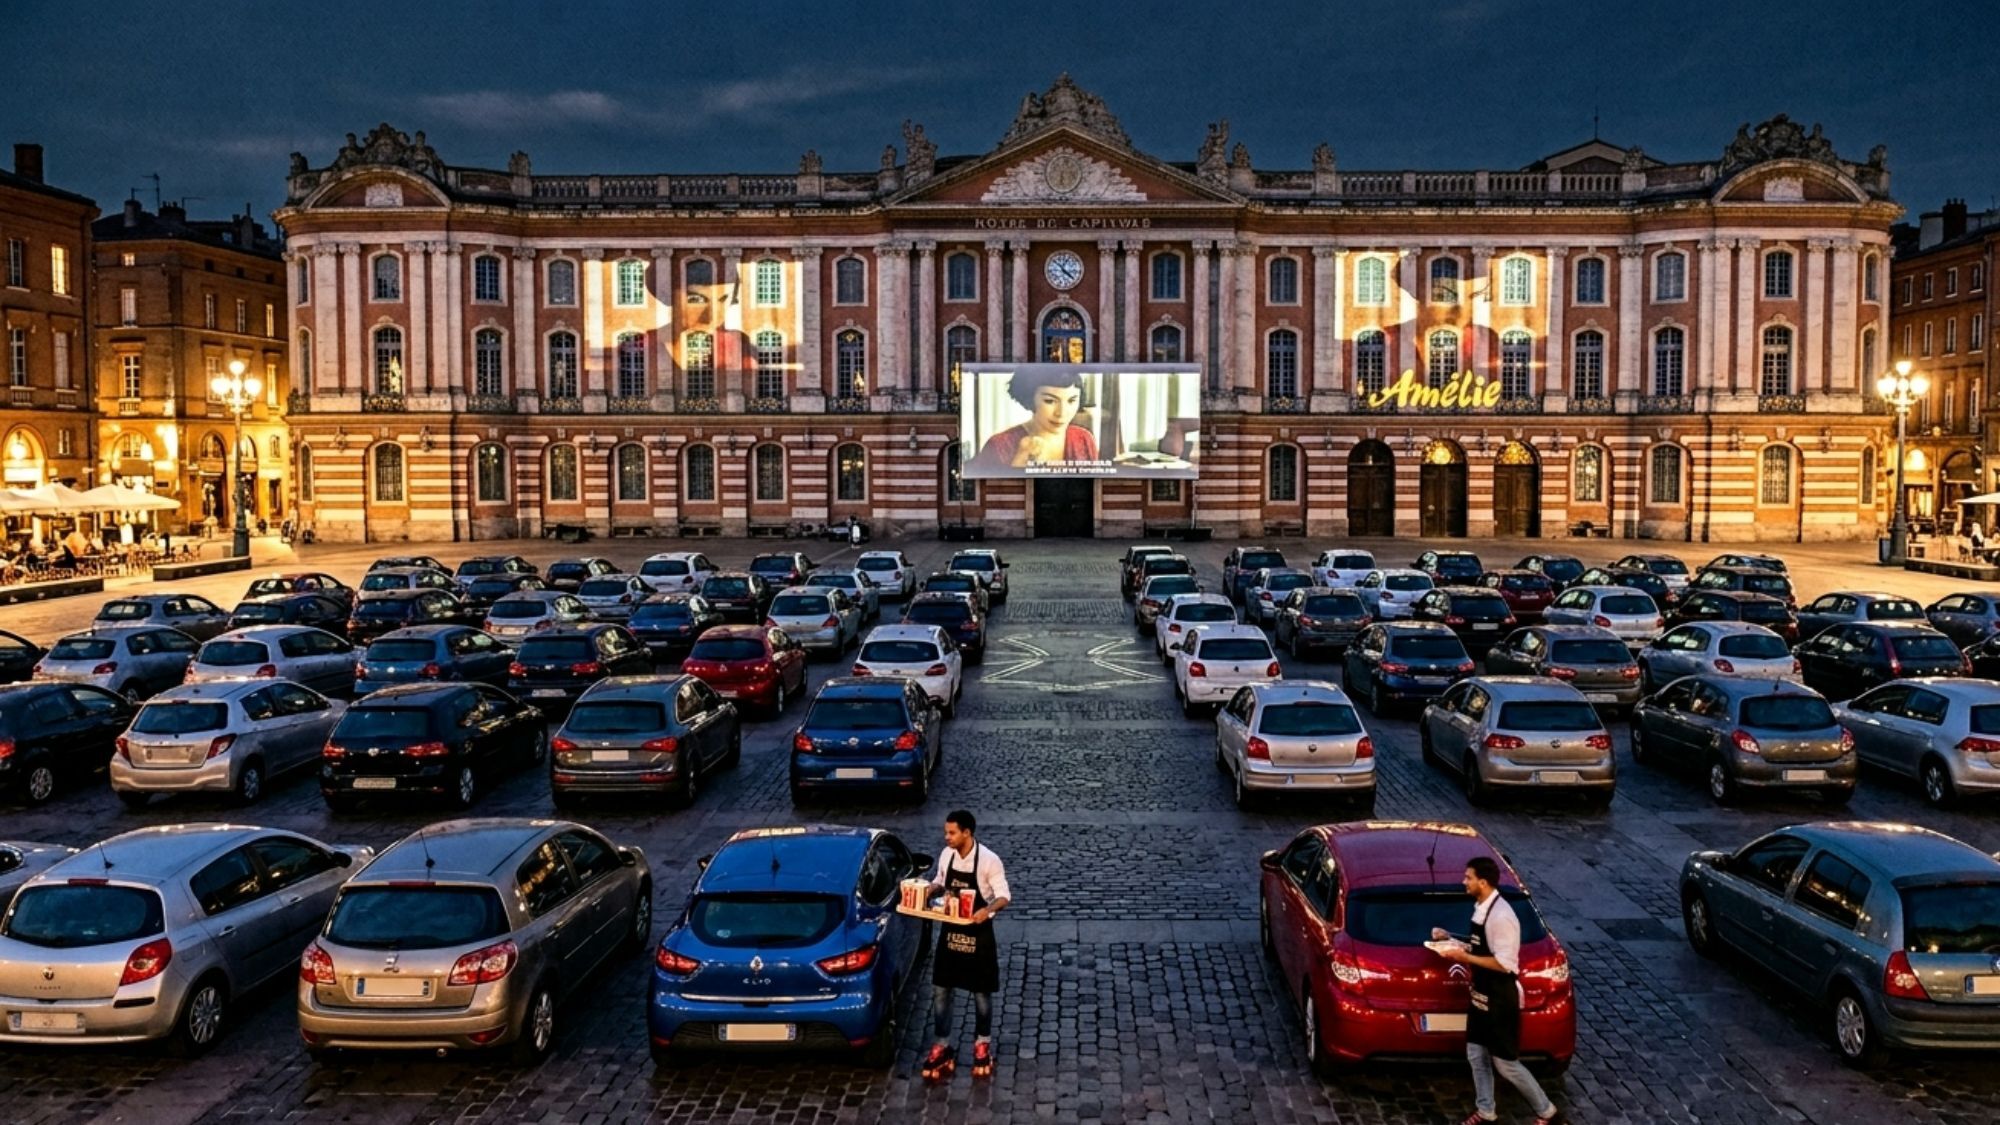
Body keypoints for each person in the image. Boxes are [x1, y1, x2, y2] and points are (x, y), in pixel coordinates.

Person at [1434, 856, 1561, 1125]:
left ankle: (1547, 1111)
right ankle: (1486, 1111)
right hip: (1480, 994)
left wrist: (1464, 958)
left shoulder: (1502, 917)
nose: (1463, 882)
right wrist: (1451, 939)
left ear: (1483, 882)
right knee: (1476, 1054)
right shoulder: (1481, 907)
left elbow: (1504, 964)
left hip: (1499, 998)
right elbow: (1482, 946)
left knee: (1505, 1063)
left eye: (1468, 878)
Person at [921, 809, 1011, 1082]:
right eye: (946, 832)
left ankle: (982, 1042)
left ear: (967, 833)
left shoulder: (988, 860)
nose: (946, 837)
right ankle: (942, 1044)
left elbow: (1004, 895)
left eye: (951, 833)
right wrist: (930, 890)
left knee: (981, 993)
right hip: (950, 932)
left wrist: (988, 910)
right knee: (941, 990)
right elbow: (940, 880)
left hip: (978, 935)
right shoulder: (947, 856)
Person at [970, 370, 1098, 470]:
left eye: (1072, 400)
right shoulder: (997, 445)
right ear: (1029, 398)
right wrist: (1019, 461)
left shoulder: (1084, 438)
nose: (1062, 413)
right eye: (1050, 401)